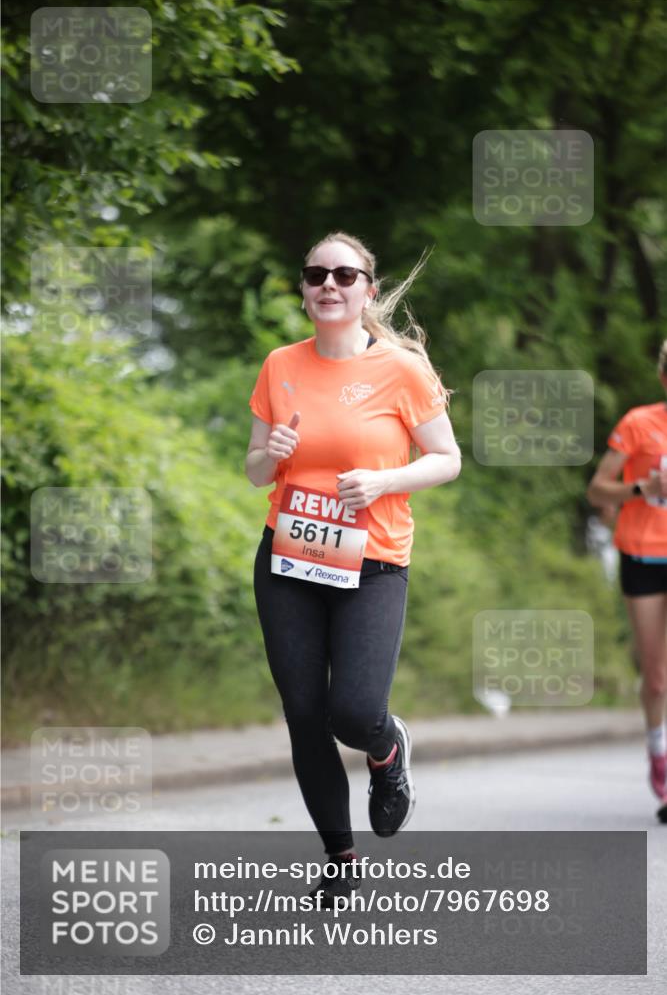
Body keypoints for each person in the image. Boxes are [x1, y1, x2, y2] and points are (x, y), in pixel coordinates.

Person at [245, 231, 461, 903]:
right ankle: (338, 855)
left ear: (368, 289)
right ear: (305, 290)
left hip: (372, 561)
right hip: (289, 557)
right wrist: (272, 450)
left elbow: (446, 458)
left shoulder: (400, 369)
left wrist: (384, 480)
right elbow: (255, 471)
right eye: (315, 274)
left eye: (344, 275)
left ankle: (385, 746)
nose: (328, 285)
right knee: (304, 712)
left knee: (354, 710)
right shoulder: (279, 364)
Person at [587, 340, 667, 806]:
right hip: (644, 557)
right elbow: (598, 491)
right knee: (656, 676)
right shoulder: (640, 423)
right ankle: (659, 752)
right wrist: (642, 486)